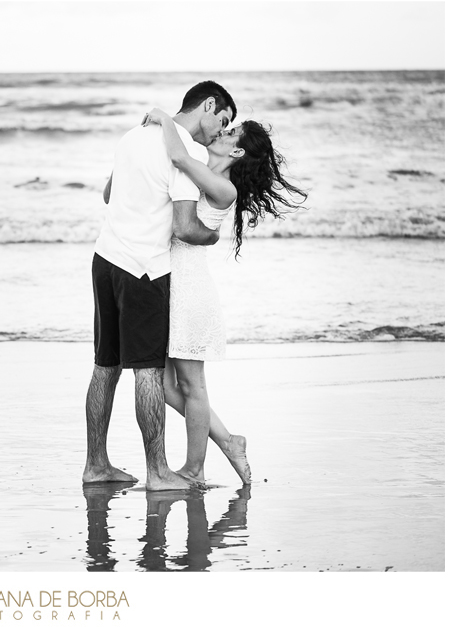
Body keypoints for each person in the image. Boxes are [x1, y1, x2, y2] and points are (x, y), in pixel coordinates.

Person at [139, 106, 308, 485]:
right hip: (168, 282)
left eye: (230, 134)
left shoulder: (223, 187)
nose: (221, 133)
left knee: (192, 385)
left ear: (236, 153)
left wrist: (166, 119)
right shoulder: (201, 173)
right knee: (166, 386)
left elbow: (178, 154)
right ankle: (229, 441)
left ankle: (195, 469)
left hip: (191, 289)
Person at [83, 81, 236, 491]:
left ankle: (96, 465)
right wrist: (213, 235)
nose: (217, 131)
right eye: (221, 120)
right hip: (143, 268)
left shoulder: (133, 135)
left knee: (105, 367)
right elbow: (185, 226)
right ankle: (158, 472)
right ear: (208, 105)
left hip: (105, 258)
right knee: (148, 372)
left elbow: (108, 193)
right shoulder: (188, 150)